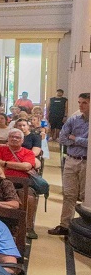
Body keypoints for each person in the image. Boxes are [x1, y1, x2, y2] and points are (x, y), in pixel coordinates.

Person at [49, 92, 89, 236]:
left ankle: (83, 228)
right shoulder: (75, 119)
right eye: (79, 102)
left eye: (84, 103)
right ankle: (65, 225)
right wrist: (78, 140)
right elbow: (62, 138)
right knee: (69, 194)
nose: (80, 105)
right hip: (71, 159)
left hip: (86, 162)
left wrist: (75, 138)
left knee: (85, 195)